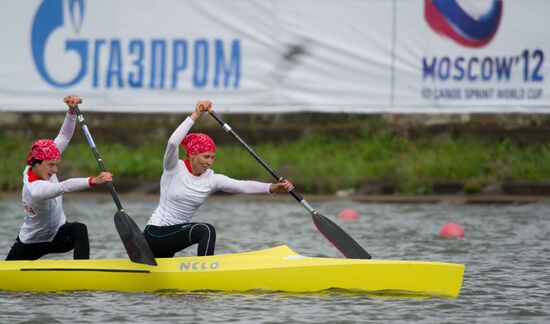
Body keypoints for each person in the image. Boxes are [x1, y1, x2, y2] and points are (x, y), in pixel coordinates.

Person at [143, 100, 293, 258]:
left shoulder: (211, 179)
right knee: (205, 230)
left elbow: (243, 186)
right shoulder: (173, 167)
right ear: (192, 154)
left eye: (212, 157)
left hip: (172, 240)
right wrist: (196, 114)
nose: (210, 162)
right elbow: (173, 143)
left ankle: (200, 272)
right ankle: (207, 272)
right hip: (155, 234)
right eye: (206, 156)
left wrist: (272, 188)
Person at [5, 95, 113, 261]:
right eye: (51, 165)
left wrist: (71, 111)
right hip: (32, 243)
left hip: (58, 236)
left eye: (57, 164)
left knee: (79, 229)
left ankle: (82, 273)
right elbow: (64, 186)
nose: (55, 170)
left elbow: (64, 136)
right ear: (37, 163)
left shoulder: (44, 159)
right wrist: (93, 180)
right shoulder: (35, 189)